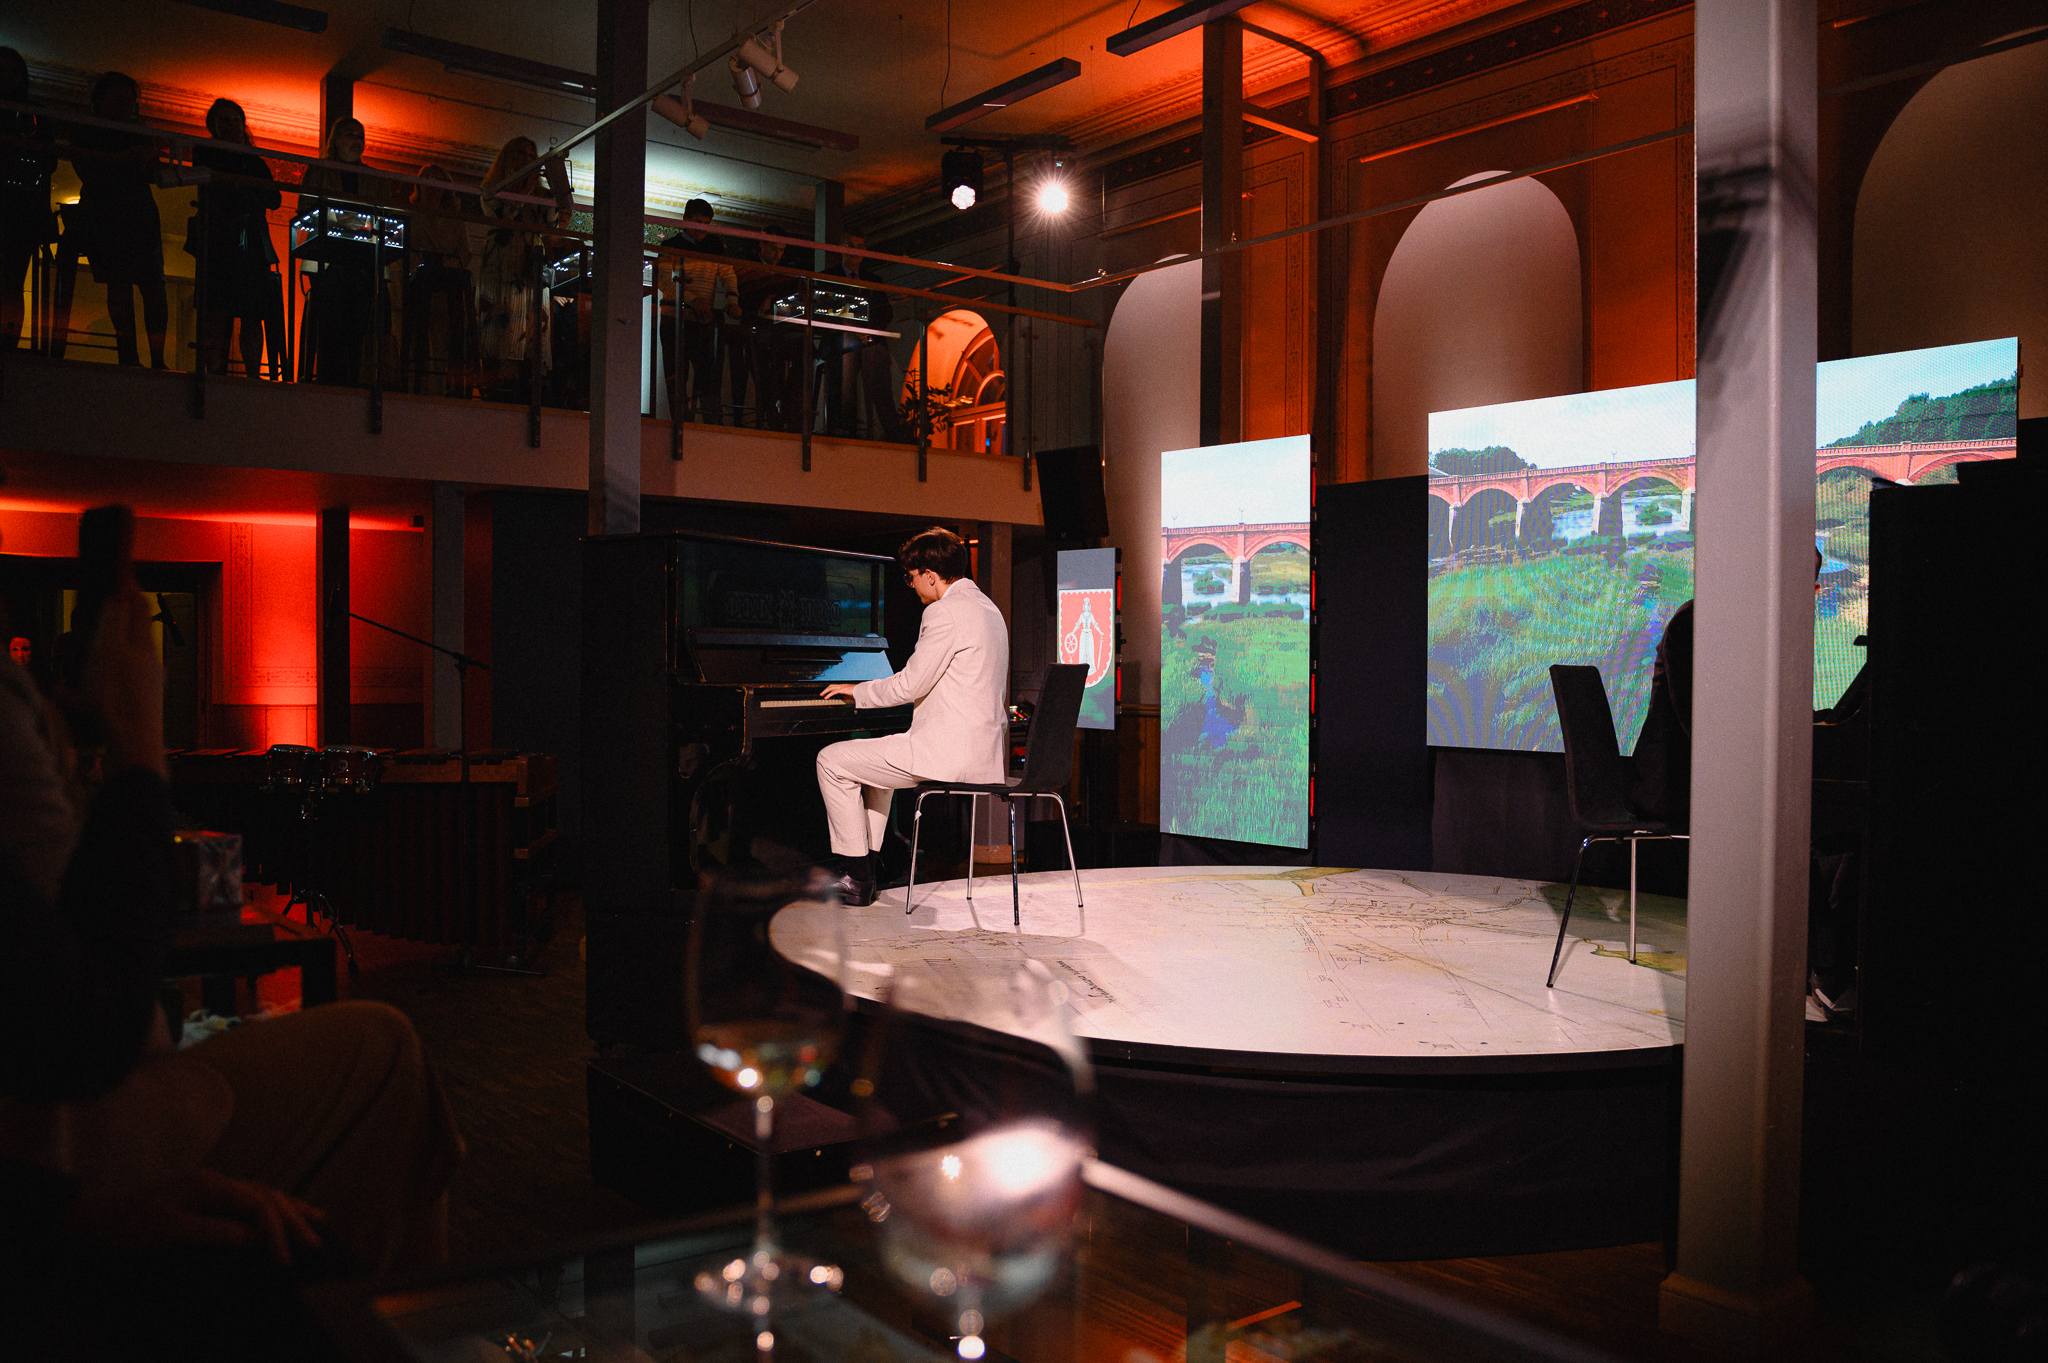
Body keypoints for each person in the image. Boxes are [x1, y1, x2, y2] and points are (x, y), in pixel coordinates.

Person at [815, 528, 1007, 906]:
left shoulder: (944, 611)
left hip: (946, 753)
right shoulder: (988, 608)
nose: (911, 585)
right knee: (876, 768)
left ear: (930, 575)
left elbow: (909, 685)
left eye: (912, 576)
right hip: (980, 754)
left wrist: (858, 691)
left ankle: (856, 875)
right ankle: (869, 868)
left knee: (831, 760)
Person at [71, 71, 169, 368]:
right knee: (120, 283)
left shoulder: (137, 132)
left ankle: (156, 358)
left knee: (152, 285)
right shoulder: (87, 130)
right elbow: (87, 169)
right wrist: (127, 159)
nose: (125, 104)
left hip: (139, 214)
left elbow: (154, 174)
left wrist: (150, 160)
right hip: (107, 214)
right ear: (100, 100)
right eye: (118, 98)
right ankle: (129, 356)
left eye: (129, 99)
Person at [192, 98, 282, 378]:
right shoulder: (205, 152)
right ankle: (213, 372)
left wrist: (244, 189)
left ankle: (253, 375)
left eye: (236, 120)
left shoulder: (255, 161)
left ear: (244, 125)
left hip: (251, 243)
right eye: (225, 120)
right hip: (218, 241)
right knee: (216, 309)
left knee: (252, 313)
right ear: (213, 126)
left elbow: (275, 199)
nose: (232, 126)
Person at [476, 136, 568, 403]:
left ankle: (528, 387)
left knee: (532, 324)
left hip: (531, 263)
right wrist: (523, 191)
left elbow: (553, 224)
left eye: (531, 155)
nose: (527, 159)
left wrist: (553, 190)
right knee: (501, 323)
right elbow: (501, 215)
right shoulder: (492, 187)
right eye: (521, 153)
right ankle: (497, 386)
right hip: (502, 260)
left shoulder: (541, 194)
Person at [298, 117, 388, 387]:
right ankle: (330, 381)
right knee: (330, 324)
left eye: (360, 135)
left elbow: (383, 218)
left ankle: (355, 381)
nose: (357, 140)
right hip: (326, 260)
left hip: (363, 262)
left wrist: (345, 221)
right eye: (350, 134)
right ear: (335, 139)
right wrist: (352, 222)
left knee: (359, 324)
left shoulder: (375, 177)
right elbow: (305, 210)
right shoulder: (319, 170)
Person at [0, 47, 58, 352]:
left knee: (12, 281)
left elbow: (49, 161)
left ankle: (7, 345)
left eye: (14, 71)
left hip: (20, 210)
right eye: (2, 70)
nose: (7, 77)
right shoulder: (31, 113)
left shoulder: (34, 114)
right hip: (20, 206)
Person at [403, 163, 478, 396]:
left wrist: (443, 266)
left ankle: (442, 391)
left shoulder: (455, 219)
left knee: (444, 343)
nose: (434, 187)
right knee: (416, 341)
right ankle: (415, 389)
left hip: (447, 290)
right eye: (429, 180)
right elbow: (405, 250)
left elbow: (465, 253)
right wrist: (422, 266)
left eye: (439, 182)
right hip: (418, 288)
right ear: (420, 185)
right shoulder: (410, 213)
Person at [659, 198, 738, 422]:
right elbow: (664, 282)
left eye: (706, 223)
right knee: (676, 376)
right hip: (674, 318)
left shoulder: (715, 245)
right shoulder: (670, 245)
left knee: (707, 376)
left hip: (702, 319)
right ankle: (680, 423)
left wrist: (732, 298)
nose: (702, 228)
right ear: (685, 219)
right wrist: (693, 300)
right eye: (697, 222)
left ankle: (708, 423)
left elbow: (728, 273)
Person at [833, 233, 904, 441]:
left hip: (869, 340)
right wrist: (853, 331)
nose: (855, 250)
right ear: (841, 248)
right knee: (848, 357)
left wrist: (868, 333)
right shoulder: (828, 276)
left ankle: (889, 428)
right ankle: (844, 427)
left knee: (877, 356)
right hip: (841, 339)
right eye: (850, 245)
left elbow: (886, 313)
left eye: (860, 246)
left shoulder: (874, 280)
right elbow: (826, 309)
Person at [740, 235, 799, 429]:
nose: (777, 254)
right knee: (766, 361)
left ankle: (787, 408)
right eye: (774, 248)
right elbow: (743, 305)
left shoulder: (787, 272)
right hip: (757, 331)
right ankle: (774, 412)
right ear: (762, 244)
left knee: (804, 350)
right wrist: (761, 308)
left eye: (781, 250)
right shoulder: (748, 269)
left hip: (781, 331)